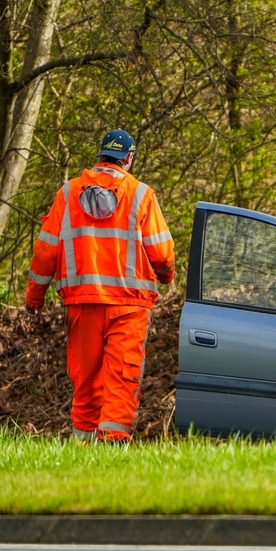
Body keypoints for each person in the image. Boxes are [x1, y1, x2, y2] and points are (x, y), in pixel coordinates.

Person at [24, 129, 175, 442]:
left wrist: (34, 299)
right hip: (130, 304)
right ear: (129, 158)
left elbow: (45, 252)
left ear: (101, 155)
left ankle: (83, 441)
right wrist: (166, 276)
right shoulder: (140, 194)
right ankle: (112, 441)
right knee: (122, 374)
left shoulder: (68, 193)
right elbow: (162, 251)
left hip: (82, 301)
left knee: (86, 377)